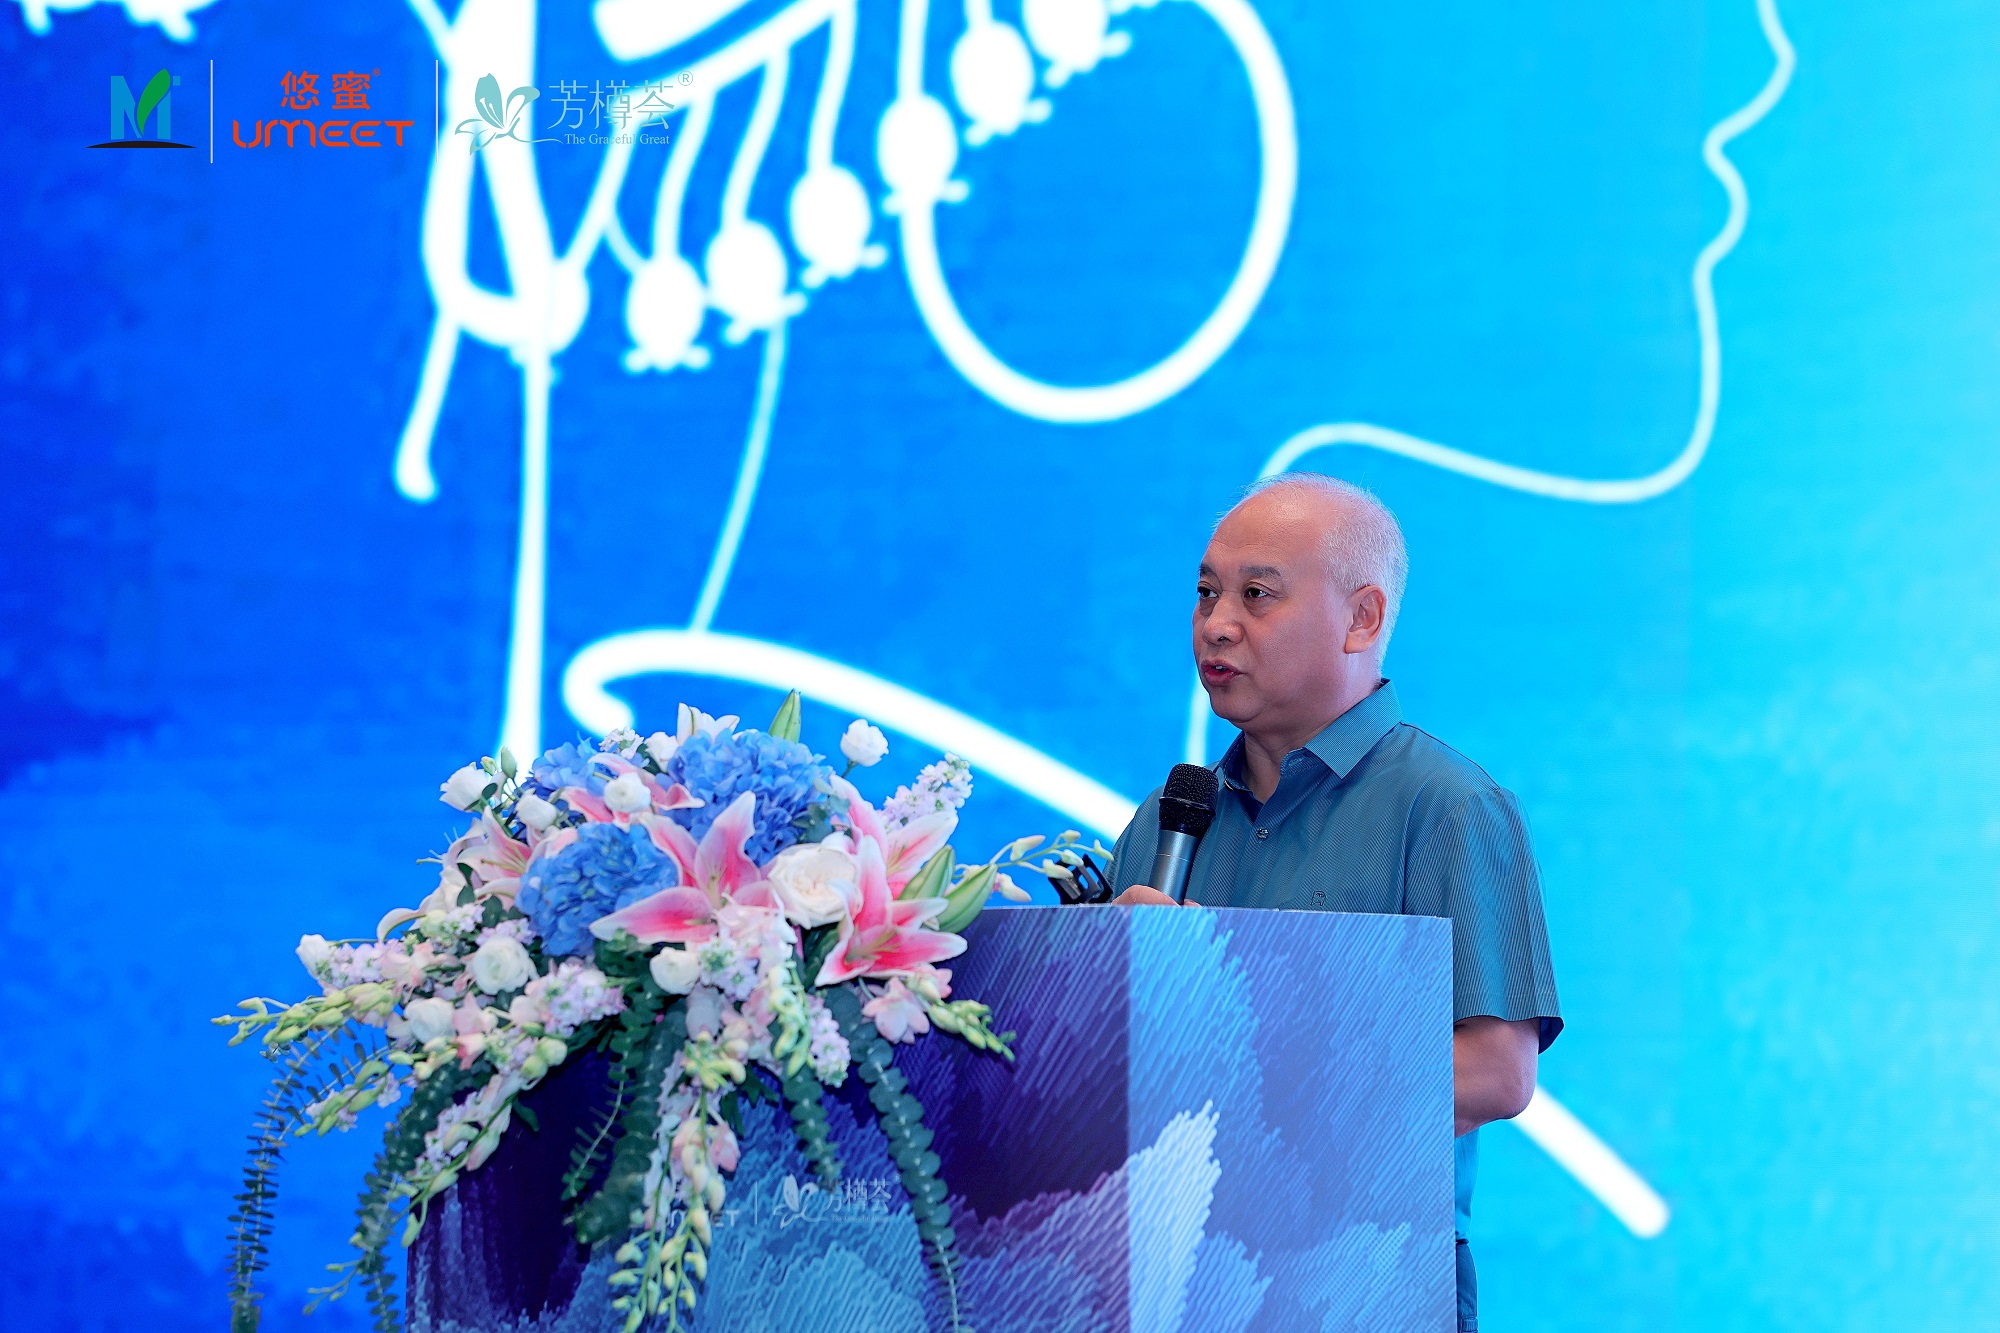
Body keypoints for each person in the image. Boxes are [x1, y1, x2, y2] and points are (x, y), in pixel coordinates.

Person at [1108, 472, 1561, 1333]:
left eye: (1256, 595)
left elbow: (1497, 1072)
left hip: (1363, 1280)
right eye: (1205, 592)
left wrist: (1244, 1047)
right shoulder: (1172, 818)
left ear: (1362, 618)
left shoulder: (1448, 806)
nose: (1217, 623)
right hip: (1170, 1275)